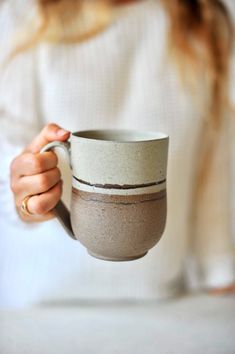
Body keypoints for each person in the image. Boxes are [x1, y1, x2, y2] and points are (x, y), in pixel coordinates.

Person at [0, 0, 235, 308]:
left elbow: (213, 168)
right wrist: (22, 193)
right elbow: (10, 156)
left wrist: (220, 273)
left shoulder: (203, 19)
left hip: (162, 302)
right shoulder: (25, 14)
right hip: (39, 306)